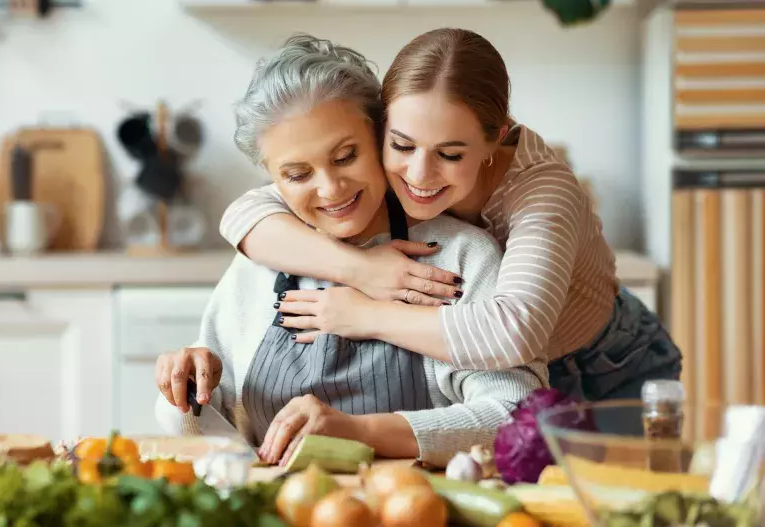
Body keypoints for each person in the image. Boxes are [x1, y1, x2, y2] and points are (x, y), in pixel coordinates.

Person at [217, 28, 681, 402]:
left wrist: (365, 314)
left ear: (495, 138)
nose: (417, 175)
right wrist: (360, 269)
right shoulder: (367, 165)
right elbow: (247, 212)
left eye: (451, 154)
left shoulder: (543, 191)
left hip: (603, 365)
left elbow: (512, 333)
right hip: (497, 372)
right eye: (400, 145)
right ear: (382, 126)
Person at [155, 34, 547, 468]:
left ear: (379, 134)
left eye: (345, 156)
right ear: (272, 179)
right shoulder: (259, 259)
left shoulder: (459, 256)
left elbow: (518, 417)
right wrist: (188, 395)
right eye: (298, 173)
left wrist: (358, 433)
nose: (331, 189)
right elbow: (223, 445)